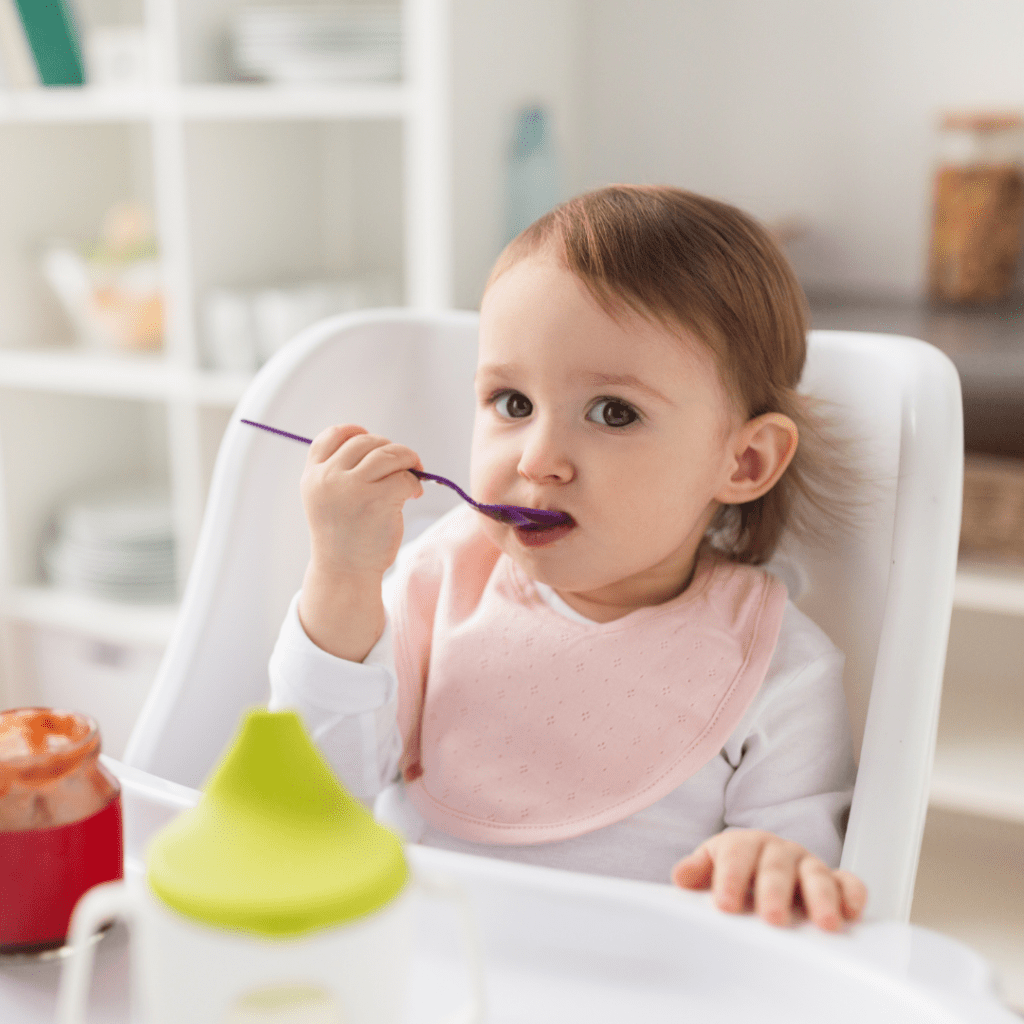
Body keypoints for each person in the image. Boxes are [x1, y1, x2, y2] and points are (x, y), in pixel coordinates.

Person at [268, 184, 876, 931]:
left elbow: (797, 886)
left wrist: (771, 859)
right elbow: (312, 790)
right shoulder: (438, 582)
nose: (540, 458)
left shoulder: (779, 669)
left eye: (614, 412)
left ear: (745, 462)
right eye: (512, 403)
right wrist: (341, 574)